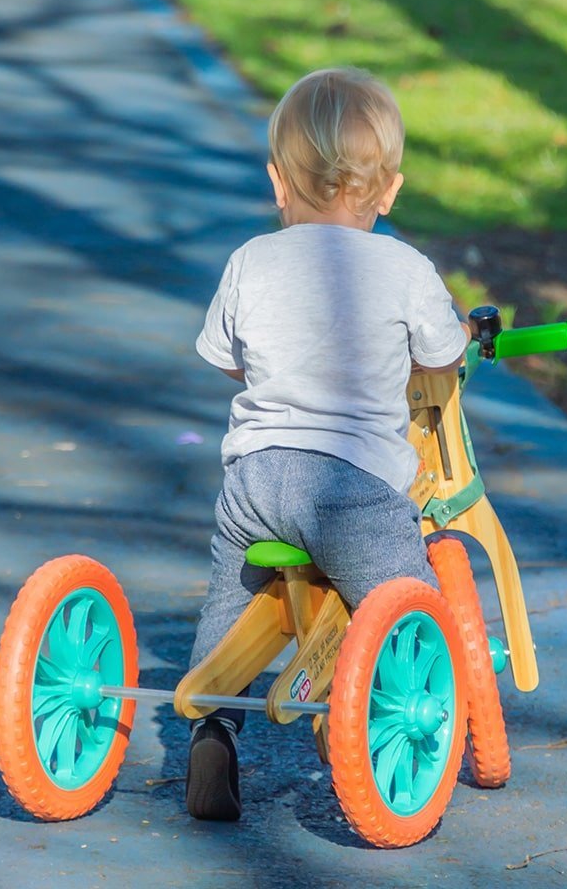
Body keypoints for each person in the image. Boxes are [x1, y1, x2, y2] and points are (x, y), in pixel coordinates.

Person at [186, 67, 470, 821]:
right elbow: (444, 355)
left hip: (253, 481)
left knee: (230, 597)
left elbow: (229, 359)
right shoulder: (406, 268)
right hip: (349, 488)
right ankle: (364, 720)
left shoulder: (250, 259)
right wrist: (465, 332)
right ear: (391, 190)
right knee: (405, 602)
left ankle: (213, 725)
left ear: (279, 183)